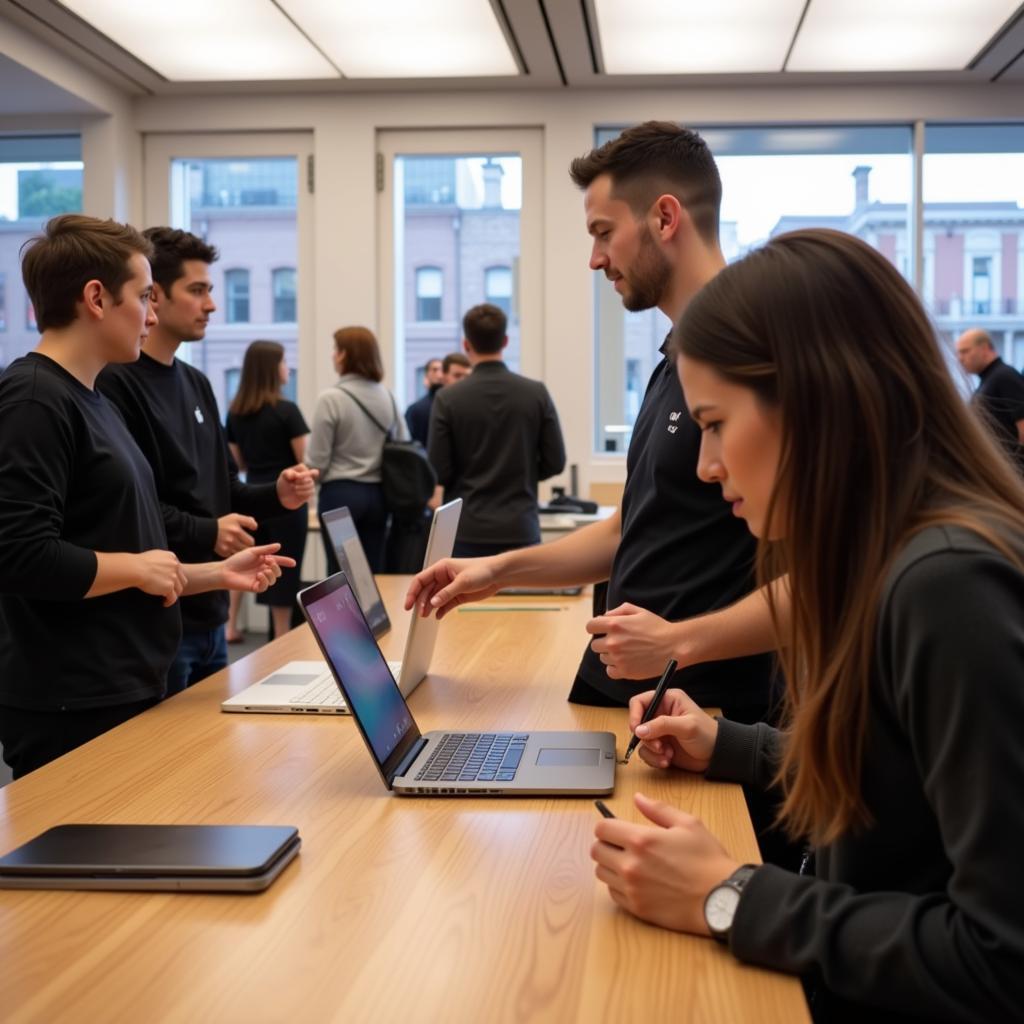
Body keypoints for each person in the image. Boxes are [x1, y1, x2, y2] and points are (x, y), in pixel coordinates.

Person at [591, 229, 1024, 1023]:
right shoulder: (884, 558)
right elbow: (900, 775)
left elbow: (1001, 958)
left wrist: (730, 896)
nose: (705, 466)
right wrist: (726, 743)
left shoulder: (948, 585)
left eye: (717, 424)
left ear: (818, 401)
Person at [407, 122, 774, 725]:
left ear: (663, 218)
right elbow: (629, 528)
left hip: (709, 707)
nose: (595, 258)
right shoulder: (673, 360)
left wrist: (680, 641)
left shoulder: (753, 349)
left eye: (604, 233)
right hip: (635, 697)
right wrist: (500, 571)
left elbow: (821, 580)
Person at [0, 215, 294, 778]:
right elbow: (20, 555)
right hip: (73, 699)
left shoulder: (93, 399)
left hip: (124, 683)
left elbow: (132, 549)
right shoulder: (34, 401)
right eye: (142, 297)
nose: (153, 315)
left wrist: (217, 574)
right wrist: (136, 568)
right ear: (95, 299)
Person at [97, 228, 316, 694]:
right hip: (160, 617)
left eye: (210, 291)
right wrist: (208, 532)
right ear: (154, 295)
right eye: (197, 291)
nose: (211, 305)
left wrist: (276, 495)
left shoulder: (196, 383)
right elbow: (131, 511)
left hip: (212, 611)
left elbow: (225, 491)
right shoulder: (117, 385)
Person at [428, 303, 565, 558]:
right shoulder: (536, 393)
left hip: (467, 529)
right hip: (521, 527)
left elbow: (439, 469)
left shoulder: (447, 399)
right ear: (505, 340)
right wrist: (524, 471)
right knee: (528, 600)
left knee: (466, 598)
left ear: (466, 345)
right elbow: (555, 462)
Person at [306, 325, 408, 574]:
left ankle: (344, 616)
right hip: (379, 496)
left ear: (343, 354)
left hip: (340, 496)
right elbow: (404, 442)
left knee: (341, 575)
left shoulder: (330, 398)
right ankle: (373, 615)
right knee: (371, 576)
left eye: (334, 349)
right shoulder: (389, 396)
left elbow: (317, 461)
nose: (332, 355)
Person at [226, 340, 309, 642]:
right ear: (272, 369)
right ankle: (282, 636)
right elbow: (303, 462)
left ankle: (231, 625)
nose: (287, 368)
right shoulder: (287, 411)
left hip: (250, 497)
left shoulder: (235, 413)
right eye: (284, 362)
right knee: (283, 566)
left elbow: (237, 462)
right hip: (284, 499)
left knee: (244, 563)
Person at [954, 327, 1024, 470]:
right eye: (959, 353)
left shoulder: (1005, 376)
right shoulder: (989, 379)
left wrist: (1015, 472)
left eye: (965, 351)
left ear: (985, 349)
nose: (960, 358)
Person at [404, 357, 444, 447]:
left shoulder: (452, 406)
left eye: (442, 370)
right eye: (435, 370)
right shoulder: (414, 410)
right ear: (426, 375)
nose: (439, 374)